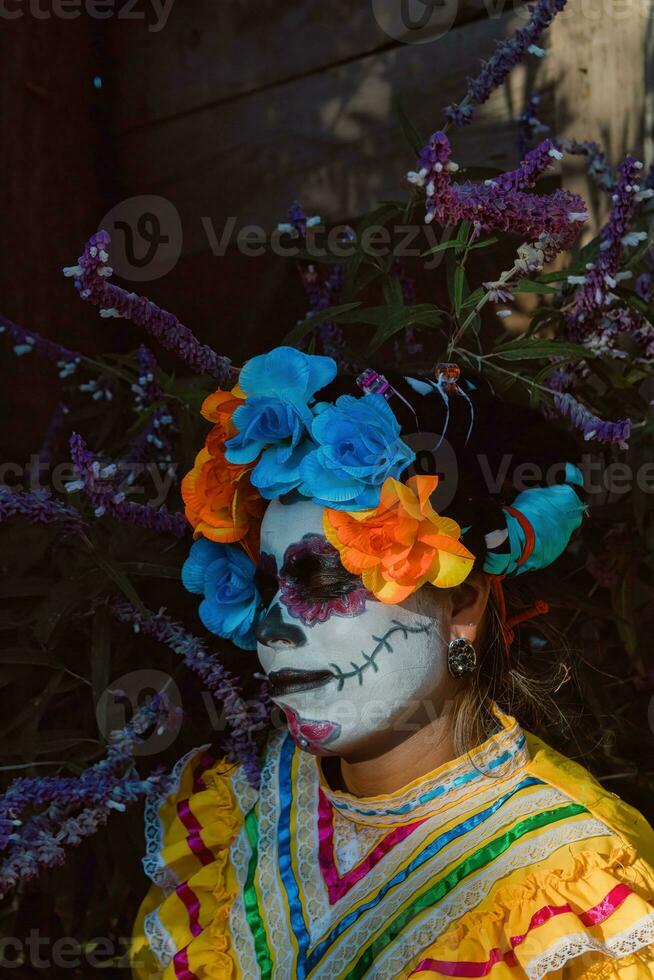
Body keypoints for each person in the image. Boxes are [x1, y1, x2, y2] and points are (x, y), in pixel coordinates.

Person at [130, 348, 654, 979]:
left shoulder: (568, 882)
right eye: (265, 585)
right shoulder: (237, 802)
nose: (271, 626)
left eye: (323, 579)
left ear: (462, 603)